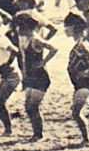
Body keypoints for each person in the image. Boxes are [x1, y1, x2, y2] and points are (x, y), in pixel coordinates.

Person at [13, 12, 57, 141]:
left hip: (40, 77)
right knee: (29, 107)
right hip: (32, 77)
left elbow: (54, 48)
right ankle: (36, 133)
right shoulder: (26, 39)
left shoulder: (35, 39)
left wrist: (43, 62)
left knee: (32, 107)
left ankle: (39, 134)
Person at [62, 12, 89, 146]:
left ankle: (87, 139)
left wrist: (88, 73)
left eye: (66, 26)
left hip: (83, 83)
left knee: (76, 113)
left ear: (73, 27)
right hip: (79, 83)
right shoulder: (81, 43)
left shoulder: (82, 44)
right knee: (76, 112)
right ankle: (86, 138)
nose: (64, 29)